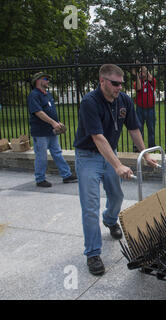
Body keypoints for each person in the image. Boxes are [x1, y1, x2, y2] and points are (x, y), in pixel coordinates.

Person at [74, 64, 157, 276]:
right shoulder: (89, 102)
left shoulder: (124, 100)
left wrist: (145, 154)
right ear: (102, 81)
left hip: (110, 153)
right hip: (89, 156)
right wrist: (117, 164)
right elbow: (98, 138)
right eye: (115, 83)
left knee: (117, 196)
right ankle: (93, 253)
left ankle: (110, 220)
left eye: (121, 83)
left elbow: (134, 129)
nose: (119, 87)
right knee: (90, 207)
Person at [27, 72, 77, 187]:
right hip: (40, 132)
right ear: (38, 81)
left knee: (57, 153)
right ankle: (40, 179)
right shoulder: (34, 95)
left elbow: (50, 111)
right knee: (41, 156)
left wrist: (57, 123)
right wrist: (53, 122)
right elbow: (38, 112)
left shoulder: (47, 94)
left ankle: (66, 175)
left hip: (51, 131)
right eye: (46, 79)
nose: (48, 81)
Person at [132, 65, 157, 149]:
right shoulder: (136, 82)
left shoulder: (152, 81)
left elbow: (150, 78)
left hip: (151, 108)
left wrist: (144, 68)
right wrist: (137, 75)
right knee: (139, 129)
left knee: (151, 128)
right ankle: (139, 147)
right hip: (140, 108)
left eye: (144, 71)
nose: (142, 73)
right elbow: (139, 88)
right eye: (141, 72)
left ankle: (152, 146)